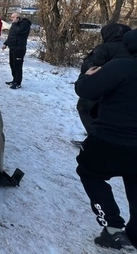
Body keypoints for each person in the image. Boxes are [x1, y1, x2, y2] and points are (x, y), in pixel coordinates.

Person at [74, 28, 137, 251]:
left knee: (88, 172)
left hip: (109, 139)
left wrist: (87, 75)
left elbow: (85, 90)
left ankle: (112, 226)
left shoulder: (121, 66)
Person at [76, 23, 131, 134]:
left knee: (84, 106)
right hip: (129, 94)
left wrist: (84, 78)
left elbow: (88, 69)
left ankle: (94, 135)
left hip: (105, 91)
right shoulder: (132, 49)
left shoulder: (104, 49)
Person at [1, 12, 31, 89]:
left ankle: (18, 82)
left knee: (18, 66)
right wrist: (5, 43)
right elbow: (11, 35)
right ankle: (14, 79)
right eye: (11, 17)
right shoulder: (14, 24)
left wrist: (16, 23)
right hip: (12, 47)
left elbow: (18, 31)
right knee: (12, 64)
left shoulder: (25, 24)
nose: (12, 19)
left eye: (13, 17)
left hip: (19, 48)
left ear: (18, 18)